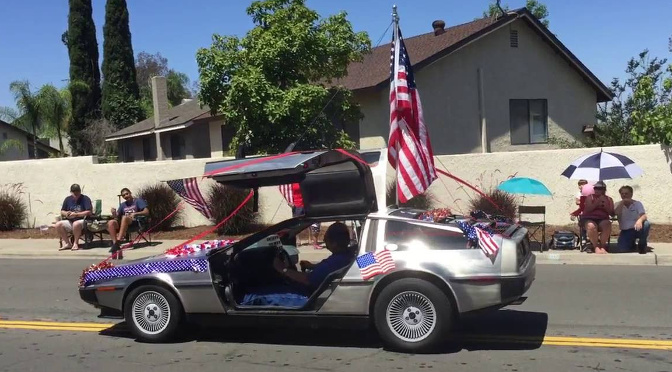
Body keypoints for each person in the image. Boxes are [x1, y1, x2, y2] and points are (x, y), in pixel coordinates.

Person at [241, 222, 354, 307]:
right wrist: (313, 266)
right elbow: (326, 270)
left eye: (326, 239)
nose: (324, 242)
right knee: (278, 287)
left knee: (254, 296)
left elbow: (307, 279)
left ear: (334, 243)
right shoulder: (347, 254)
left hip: (309, 296)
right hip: (316, 289)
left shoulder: (335, 261)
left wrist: (283, 269)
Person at [107, 188, 149, 255]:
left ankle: (118, 241)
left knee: (124, 217)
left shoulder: (138, 201)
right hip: (123, 224)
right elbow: (117, 216)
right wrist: (114, 213)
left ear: (130, 193)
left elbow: (146, 212)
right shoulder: (123, 205)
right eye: (123, 195)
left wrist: (135, 213)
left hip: (135, 222)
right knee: (111, 222)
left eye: (127, 194)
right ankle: (115, 243)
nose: (126, 196)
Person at [55, 184, 93, 251]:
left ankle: (75, 243)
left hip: (83, 220)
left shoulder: (85, 199)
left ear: (80, 191)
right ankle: (67, 243)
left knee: (76, 223)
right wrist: (66, 213)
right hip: (70, 220)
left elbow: (89, 212)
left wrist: (76, 214)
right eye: (74, 193)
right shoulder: (68, 199)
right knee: (58, 224)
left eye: (77, 193)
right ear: (71, 192)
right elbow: (62, 211)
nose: (75, 194)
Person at [581, 181, 615, 254]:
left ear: (604, 190)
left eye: (599, 188)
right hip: (589, 218)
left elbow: (612, 214)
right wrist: (597, 202)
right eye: (595, 188)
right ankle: (595, 246)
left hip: (602, 219)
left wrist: (606, 206)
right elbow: (587, 210)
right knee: (591, 226)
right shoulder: (590, 197)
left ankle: (603, 246)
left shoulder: (609, 199)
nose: (596, 190)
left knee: (607, 224)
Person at [615, 185, 650, 254]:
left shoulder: (637, 204)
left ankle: (642, 244)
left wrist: (639, 220)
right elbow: (615, 213)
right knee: (622, 250)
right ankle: (631, 244)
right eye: (622, 194)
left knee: (646, 224)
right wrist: (622, 203)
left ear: (631, 194)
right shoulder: (617, 204)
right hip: (626, 231)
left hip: (637, 228)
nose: (624, 195)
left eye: (626, 193)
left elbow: (644, 216)